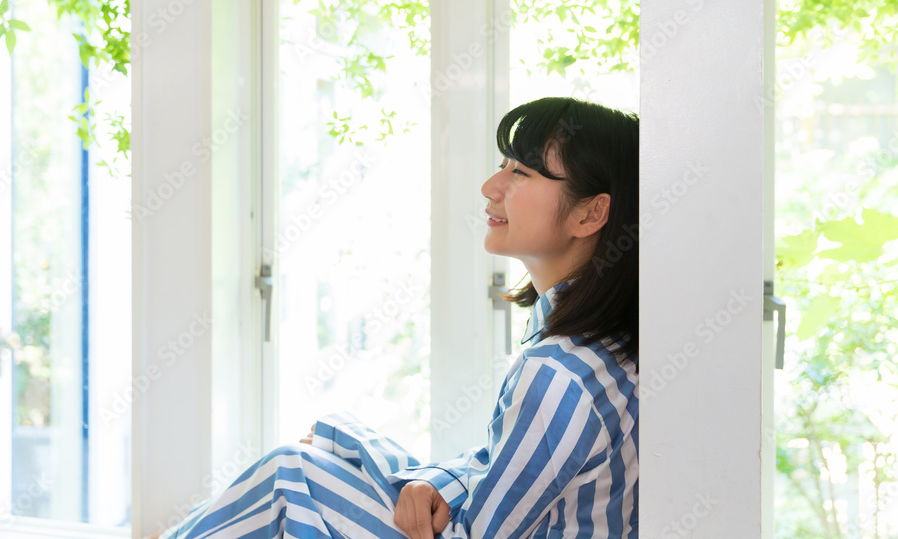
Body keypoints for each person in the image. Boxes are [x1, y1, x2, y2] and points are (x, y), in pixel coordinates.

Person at [155, 96, 639, 539]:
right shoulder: (606, 347)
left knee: (290, 474)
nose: (490, 187)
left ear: (590, 214)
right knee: (298, 470)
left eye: (522, 173)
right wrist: (421, 477)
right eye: (502, 166)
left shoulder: (556, 374)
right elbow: (496, 470)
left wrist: (354, 443)